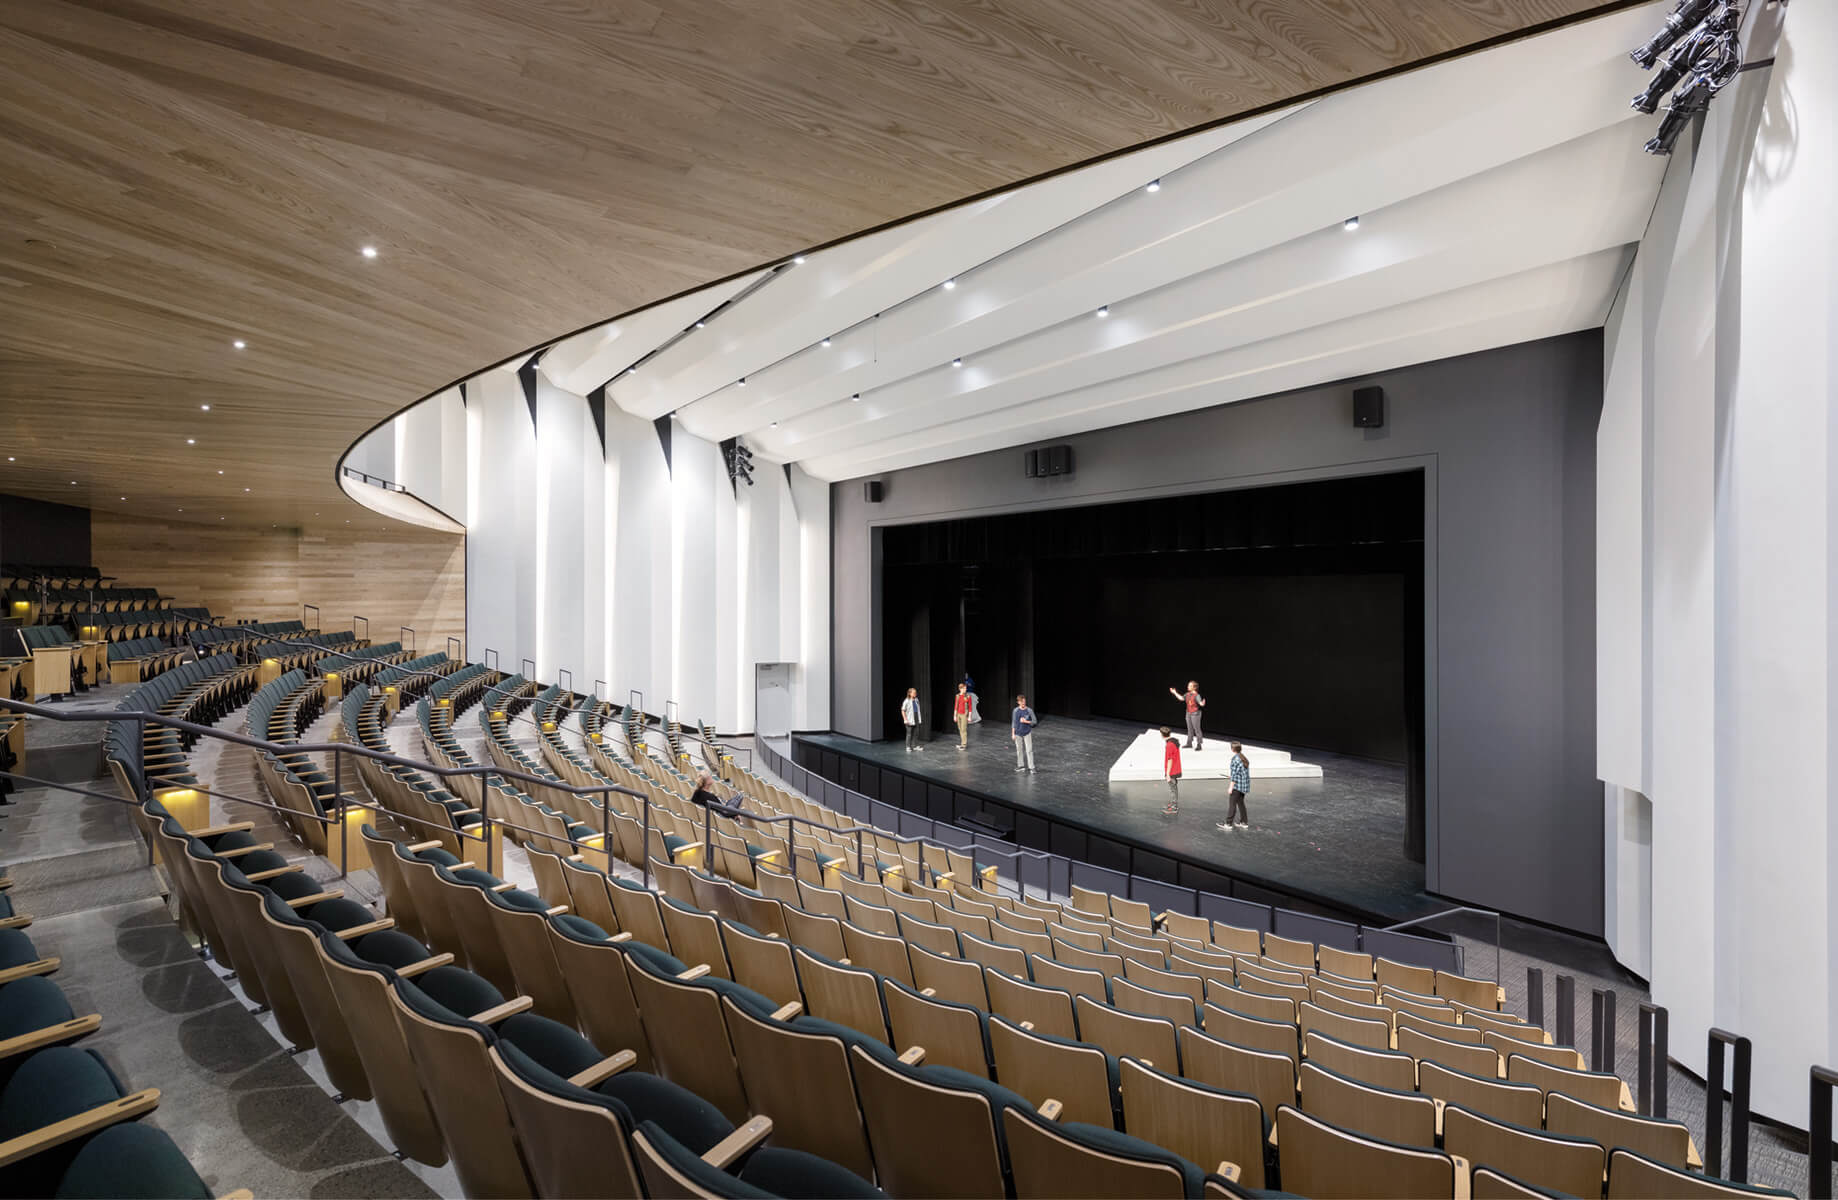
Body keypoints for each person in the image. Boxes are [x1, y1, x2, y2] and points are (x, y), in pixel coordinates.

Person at [1219, 742, 1251, 830]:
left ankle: (1228, 824)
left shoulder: (1235, 759)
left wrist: (1230, 787)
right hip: (1243, 785)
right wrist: (1233, 777)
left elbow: (1235, 775)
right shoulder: (1243, 757)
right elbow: (1241, 773)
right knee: (1241, 803)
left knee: (1232, 804)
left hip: (1237, 786)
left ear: (1232, 749)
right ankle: (1244, 822)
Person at [1168, 681, 1205, 749]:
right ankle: (1189, 743)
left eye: (1190, 686)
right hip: (1188, 713)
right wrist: (1174, 692)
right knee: (1189, 729)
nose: (1188, 687)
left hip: (1195, 714)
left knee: (1197, 729)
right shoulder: (1187, 694)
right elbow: (1181, 698)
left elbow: (1200, 703)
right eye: (1188, 685)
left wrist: (1202, 703)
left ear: (1194, 688)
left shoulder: (1197, 695)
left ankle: (1199, 744)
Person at [1011, 693, 1037, 773]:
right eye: (1021, 702)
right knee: (1019, 750)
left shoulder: (1029, 710)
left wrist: (1026, 721)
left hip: (1027, 732)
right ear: (1018, 702)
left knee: (1029, 750)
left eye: (1024, 701)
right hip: (1018, 733)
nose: (1023, 703)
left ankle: (1031, 767)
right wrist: (1013, 733)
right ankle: (1021, 766)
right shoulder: (1015, 711)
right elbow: (1014, 723)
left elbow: (1034, 722)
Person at [1161, 726, 1181, 814]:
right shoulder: (1174, 741)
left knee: (1173, 788)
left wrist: (1168, 774)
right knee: (1174, 788)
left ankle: (1174, 807)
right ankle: (1173, 804)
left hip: (1172, 771)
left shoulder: (1169, 745)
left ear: (1162, 735)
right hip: (1175, 768)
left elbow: (1170, 760)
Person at [901, 687, 924, 751]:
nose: (915, 693)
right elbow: (903, 710)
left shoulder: (916, 700)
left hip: (916, 717)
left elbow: (917, 709)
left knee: (916, 733)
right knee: (909, 733)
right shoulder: (906, 701)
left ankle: (915, 746)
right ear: (910, 693)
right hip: (909, 718)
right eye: (914, 692)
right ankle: (908, 747)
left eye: (915, 692)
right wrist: (905, 719)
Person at [953, 681, 974, 750]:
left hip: (964, 715)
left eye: (965, 688)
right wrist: (955, 715)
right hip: (958, 714)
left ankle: (964, 745)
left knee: (963, 729)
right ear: (960, 689)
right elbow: (956, 706)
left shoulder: (968, 696)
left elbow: (970, 707)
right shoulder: (957, 696)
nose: (965, 689)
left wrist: (969, 716)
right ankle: (962, 743)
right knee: (960, 729)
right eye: (964, 688)